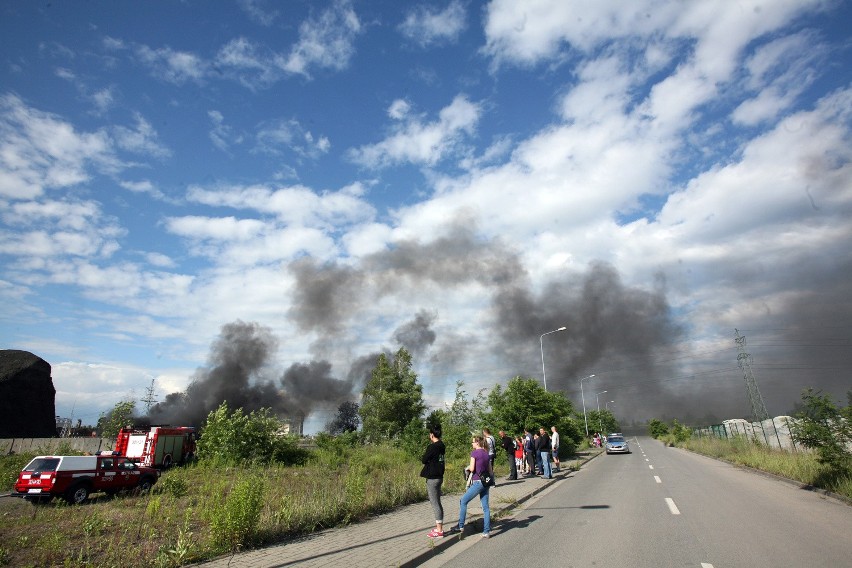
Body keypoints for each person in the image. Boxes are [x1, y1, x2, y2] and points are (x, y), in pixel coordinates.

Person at [455, 435, 492, 538]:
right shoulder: (486, 454)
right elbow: (490, 471)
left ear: (477, 443)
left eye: (473, 442)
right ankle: (486, 531)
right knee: (486, 508)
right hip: (486, 482)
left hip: (477, 482)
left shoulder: (474, 453)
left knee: (463, 501)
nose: (472, 444)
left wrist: (467, 468)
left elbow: (471, 469)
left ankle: (460, 525)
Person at [421, 425, 446, 538]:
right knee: (438, 502)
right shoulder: (442, 445)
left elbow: (424, 459)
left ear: (432, 434)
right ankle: (439, 526)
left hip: (432, 478)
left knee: (434, 502)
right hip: (439, 476)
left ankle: (439, 530)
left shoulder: (432, 447)